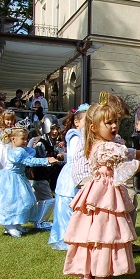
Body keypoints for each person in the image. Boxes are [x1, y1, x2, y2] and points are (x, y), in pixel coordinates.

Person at [63, 100, 140, 279]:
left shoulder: (98, 144)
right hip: (106, 194)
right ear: (94, 127)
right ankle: (101, 278)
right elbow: (129, 166)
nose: (114, 126)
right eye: (109, 123)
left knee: (92, 231)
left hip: (95, 192)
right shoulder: (107, 147)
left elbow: (126, 152)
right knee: (106, 231)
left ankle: (88, 271)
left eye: (115, 122)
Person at [0, 125, 58, 237]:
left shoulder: (21, 150)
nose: (25, 141)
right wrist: (46, 160)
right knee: (13, 201)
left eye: (26, 139)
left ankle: (17, 223)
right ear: (13, 139)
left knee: (24, 201)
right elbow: (29, 161)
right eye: (22, 139)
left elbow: (30, 154)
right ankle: (10, 225)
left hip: (19, 177)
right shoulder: (17, 152)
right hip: (11, 179)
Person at [49, 105, 89, 250]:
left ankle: (79, 236)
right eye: (87, 121)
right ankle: (67, 238)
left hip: (81, 170)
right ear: (77, 122)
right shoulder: (75, 135)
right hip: (72, 173)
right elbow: (76, 155)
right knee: (68, 204)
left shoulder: (84, 135)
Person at [0, 109, 17, 176]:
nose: (10, 122)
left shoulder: (15, 130)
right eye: (7, 120)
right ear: (3, 120)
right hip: (1, 155)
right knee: (1, 173)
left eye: (11, 120)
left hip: (11, 153)